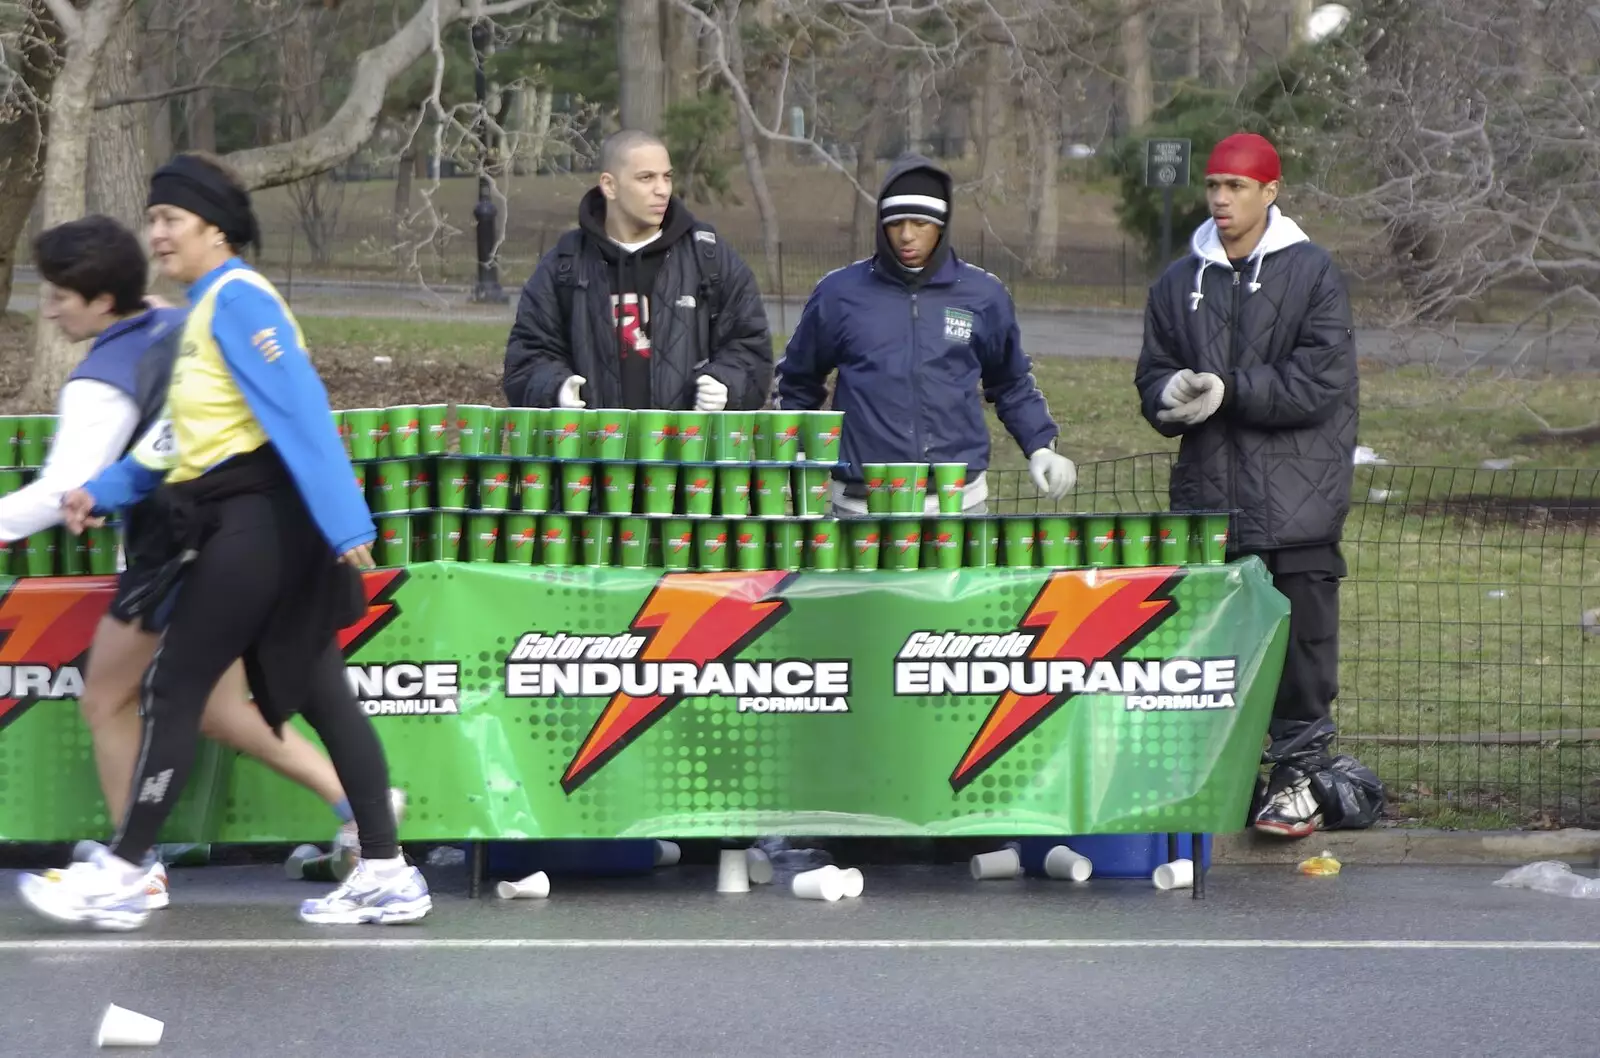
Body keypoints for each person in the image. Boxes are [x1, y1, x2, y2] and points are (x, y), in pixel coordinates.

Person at [16, 153, 428, 931]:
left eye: (169, 220)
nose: (157, 236)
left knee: (175, 687)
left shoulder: (239, 301)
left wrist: (347, 525)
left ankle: (127, 871)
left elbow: (301, 405)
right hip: (249, 519)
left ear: (212, 225)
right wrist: (100, 491)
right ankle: (386, 870)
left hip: (261, 521)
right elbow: (177, 439)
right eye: (155, 219)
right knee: (321, 694)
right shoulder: (205, 310)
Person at [1133, 132, 1381, 838]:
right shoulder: (1178, 282)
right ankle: (1226, 781)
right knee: (1216, 655)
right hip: (1211, 505)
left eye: (1235, 187)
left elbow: (1318, 382)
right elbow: (1153, 373)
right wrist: (1169, 392)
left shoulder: (1313, 274)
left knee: (1302, 653)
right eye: (1213, 185)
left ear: (1270, 193)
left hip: (1300, 502)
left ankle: (1299, 775)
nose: (1220, 199)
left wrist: (1229, 388)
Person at [773, 153, 1077, 515]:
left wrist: (1041, 445)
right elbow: (798, 381)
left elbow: (1010, 382)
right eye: (895, 222)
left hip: (957, 504)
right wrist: (793, 451)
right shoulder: (839, 295)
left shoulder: (981, 295)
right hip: (862, 506)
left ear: (942, 224)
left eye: (920, 223)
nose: (906, 235)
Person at [502, 129, 773, 412]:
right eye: (647, 178)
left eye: (667, 177)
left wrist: (726, 383)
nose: (663, 189)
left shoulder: (709, 257)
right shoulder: (565, 264)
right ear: (609, 186)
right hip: (593, 451)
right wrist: (555, 389)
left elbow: (750, 347)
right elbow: (527, 357)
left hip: (687, 449)